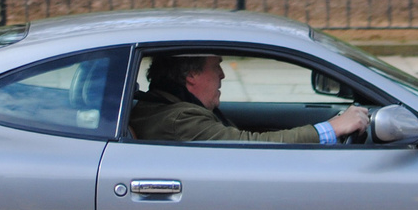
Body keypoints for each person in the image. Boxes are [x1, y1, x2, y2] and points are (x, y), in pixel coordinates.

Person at [130, 54, 369, 144]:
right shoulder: (180, 119)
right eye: (216, 67)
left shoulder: (167, 107)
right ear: (191, 75)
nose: (222, 74)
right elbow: (249, 145)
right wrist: (331, 128)